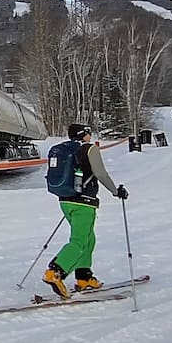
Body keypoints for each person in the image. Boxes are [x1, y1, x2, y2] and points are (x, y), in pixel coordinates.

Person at [42, 123, 128, 300]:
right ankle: (55, 271)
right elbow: (101, 173)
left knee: (89, 239)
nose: (90, 135)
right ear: (84, 134)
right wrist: (115, 191)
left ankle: (84, 277)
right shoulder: (89, 149)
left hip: (66, 201)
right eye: (88, 132)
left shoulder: (64, 149)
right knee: (80, 241)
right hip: (84, 202)